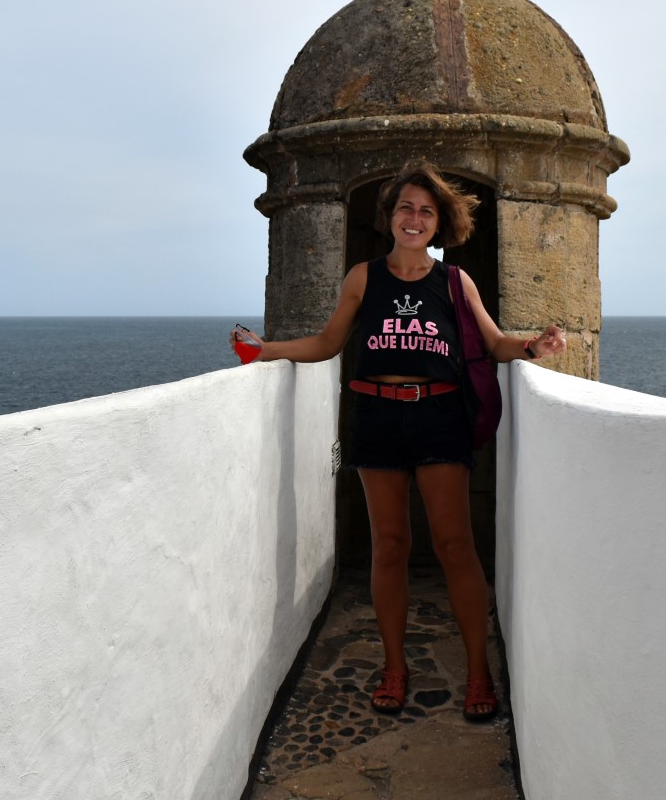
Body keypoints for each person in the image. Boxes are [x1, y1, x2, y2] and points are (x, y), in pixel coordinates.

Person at [233, 160, 566, 722]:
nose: (414, 219)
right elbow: (327, 343)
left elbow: (492, 343)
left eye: (426, 212)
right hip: (377, 418)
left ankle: (478, 669)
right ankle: (395, 666)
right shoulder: (364, 277)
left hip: (438, 417)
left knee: (454, 544)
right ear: (389, 217)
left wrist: (532, 347)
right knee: (389, 547)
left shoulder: (454, 281)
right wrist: (264, 350)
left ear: (440, 224)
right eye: (406, 208)